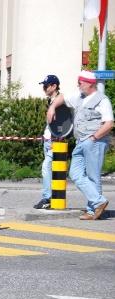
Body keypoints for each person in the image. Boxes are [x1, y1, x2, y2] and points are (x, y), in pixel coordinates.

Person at [47, 70, 113, 220]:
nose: (78, 85)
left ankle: (93, 211)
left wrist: (94, 138)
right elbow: (62, 97)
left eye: (80, 83)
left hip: (94, 142)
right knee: (75, 174)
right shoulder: (79, 97)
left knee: (93, 177)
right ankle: (99, 202)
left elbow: (109, 123)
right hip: (81, 141)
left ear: (89, 84)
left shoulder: (102, 100)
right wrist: (52, 107)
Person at [33, 75, 64, 209]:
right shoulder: (51, 101)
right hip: (47, 142)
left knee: (46, 168)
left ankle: (47, 198)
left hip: (54, 142)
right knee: (50, 170)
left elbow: (63, 122)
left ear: (54, 86)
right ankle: (53, 198)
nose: (44, 88)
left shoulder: (59, 100)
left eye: (46, 86)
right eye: (43, 86)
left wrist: (57, 137)